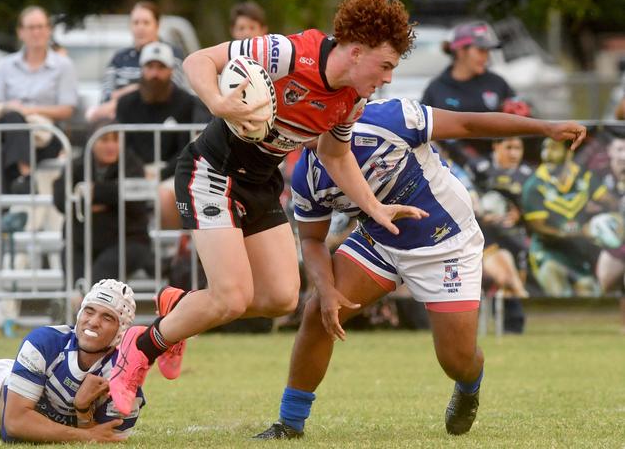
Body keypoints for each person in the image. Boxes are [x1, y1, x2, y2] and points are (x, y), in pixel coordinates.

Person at [109, 0, 428, 416]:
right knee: (231, 298)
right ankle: (140, 348)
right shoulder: (287, 53)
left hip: (260, 182)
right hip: (213, 171)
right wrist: (219, 101)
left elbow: (335, 155)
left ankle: (181, 310)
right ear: (356, 51)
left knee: (281, 298)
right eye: (385, 65)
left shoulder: (353, 98)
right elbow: (197, 60)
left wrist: (374, 207)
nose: (388, 77)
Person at [247, 98, 586, 438]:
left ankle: (469, 386)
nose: (293, 134)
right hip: (382, 241)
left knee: (456, 361)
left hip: (446, 242)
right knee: (319, 313)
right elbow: (311, 240)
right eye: (290, 127)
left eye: (302, 123)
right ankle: (289, 423)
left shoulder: (389, 117)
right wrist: (327, 289)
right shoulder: (307, 174)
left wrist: (545, 127)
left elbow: (468, 124)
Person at [0, 279, 144, 444]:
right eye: (89, 311)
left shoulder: (123, 381)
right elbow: (14, 422)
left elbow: (105, 438)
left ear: (121, 331)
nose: (93, 322)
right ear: (79, 314)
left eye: (107, 317)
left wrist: (83, 410)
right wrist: (85, 435)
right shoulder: (44, 341)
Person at [115, 41, 211, 229]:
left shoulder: (187, 103)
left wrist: (161, 172)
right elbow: (122, 145)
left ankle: (169, 254)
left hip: (173, 172)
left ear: (171, 71)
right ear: (142, 70)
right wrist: (140, 171)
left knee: (165, 197)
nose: (154, 74)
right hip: (133, 170)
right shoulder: (125, 103)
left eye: (161, 67)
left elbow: (187, 148)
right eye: (150, 67)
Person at [0, 5, 78, 193]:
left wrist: (30, 111)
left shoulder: (63, 65)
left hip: (46, 134)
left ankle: (18, 189)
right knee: (13, 119)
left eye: (41, 26)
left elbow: (67, 109)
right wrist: (14, 109)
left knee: (11, 137)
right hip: (11, 131)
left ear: (49, 30)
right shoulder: (7, 64)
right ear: (20, 32)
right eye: (31, 27)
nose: (36, 32)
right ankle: (25, 176)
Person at [53, 124, 153, 285]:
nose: (111, 146)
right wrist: (112, 199)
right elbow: (60, 201)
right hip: (81, 241)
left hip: (127, 242)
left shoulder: (132, 164)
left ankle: (90, 305)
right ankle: (75, 306)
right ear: (91, 142)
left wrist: (93, 192)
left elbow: (136, 203)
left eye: (115, 140)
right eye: (104, 140)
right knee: (75, 279)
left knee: (98, 280)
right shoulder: (77, 165)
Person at [421, 21, 525, 163]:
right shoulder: (436, 88)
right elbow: (423, 132)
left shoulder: (497, 83)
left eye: (488, 51)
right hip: (451, 170)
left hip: (496, 167)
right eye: (481, 50)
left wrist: (520, 114)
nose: (486, 57)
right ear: (461, 51)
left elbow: (519, 125)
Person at [522, 138, 608, 296]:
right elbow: (538, 227)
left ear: (569, 153)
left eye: (553, 148)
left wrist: (605, 222)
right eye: (544, 148)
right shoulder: (534, 185)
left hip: (577, 252)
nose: (546, 154)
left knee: (590, 296)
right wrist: (576, 233)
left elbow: (610, 201)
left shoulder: (584, 176)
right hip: (548, 251)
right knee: (560, 293)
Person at [466, 136, 531, 331]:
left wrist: (520, 215)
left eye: (518, 148)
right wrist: (480, 215)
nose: (513, 153)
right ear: (495, 146)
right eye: (508, 147)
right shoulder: (478, 169)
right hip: (481, 240)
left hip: (514, 240)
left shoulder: (528, 175)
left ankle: (513, 328)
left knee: (512, 294)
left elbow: (537, 211)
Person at [86, 1, 188, 123]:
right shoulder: (119, 58)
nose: (140, 27)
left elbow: (173, 91)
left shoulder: (172, 53)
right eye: (136, 23)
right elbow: (106, 96)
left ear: (157, 25)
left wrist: (127, 92)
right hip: (124, 123)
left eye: (146, 23)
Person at [594, 132, 625, 331]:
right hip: (614, 246)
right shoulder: (599, 179)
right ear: (610, 152)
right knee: (604, 283)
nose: (623, 156)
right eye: (619, 150)